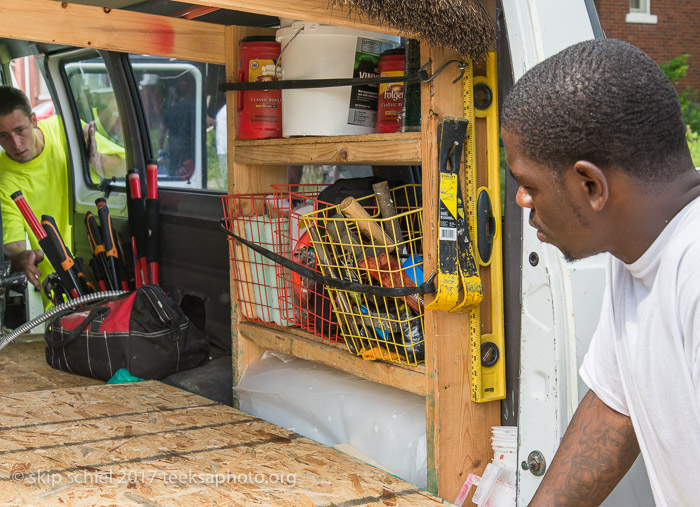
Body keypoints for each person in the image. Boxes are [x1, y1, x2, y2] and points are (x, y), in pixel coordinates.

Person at [501, 39, 700, 506]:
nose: (521, 203)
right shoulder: (638, 251)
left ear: (591, 185)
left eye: (529, 185)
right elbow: (616, 408)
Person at [0, 86, 121, 304]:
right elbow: (12, 243)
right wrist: (22, 258)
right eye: (3, 136)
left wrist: (98, 161)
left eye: (20, 130)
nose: (15, 144)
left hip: (106, 265)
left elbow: (123, 168)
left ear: (34, 120)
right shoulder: (3, 177)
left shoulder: (64, 129)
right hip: (63, 291)